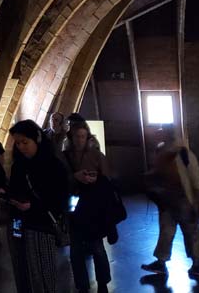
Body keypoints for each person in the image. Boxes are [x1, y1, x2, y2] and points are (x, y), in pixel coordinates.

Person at [7, 119, 69, 293]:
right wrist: (6, 195)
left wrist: (32, 205)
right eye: (17, 143)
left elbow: (59, 198)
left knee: (42, 273)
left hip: (41, 226)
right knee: (22, 271)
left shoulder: (53, 165)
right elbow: (14, 189)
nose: (21, 147)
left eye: (25, 142)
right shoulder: (19, 165)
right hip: (18, 223)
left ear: (37, 138)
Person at [141, 125, 199, 281]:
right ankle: (161, 262)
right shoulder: (162, 153)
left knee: (191, 232)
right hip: (168, 201)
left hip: (184, 201)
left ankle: (197, 264)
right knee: (167, 232)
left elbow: (196, 180)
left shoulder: (184, 154)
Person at [63, 121, 114, 293]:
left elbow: (107, 180)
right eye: (76, 136)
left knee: (97, 247)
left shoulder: (97, 156)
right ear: (71, 138)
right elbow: (59, 180)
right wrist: (74, 177)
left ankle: (102, 283)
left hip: (93, 207)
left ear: (87, 137)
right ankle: (82, 285)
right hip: (74, 207)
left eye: (82, 136)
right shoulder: (64, 157)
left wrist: (95, 179)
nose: (79, 140)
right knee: (76, 249)